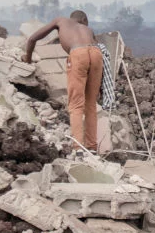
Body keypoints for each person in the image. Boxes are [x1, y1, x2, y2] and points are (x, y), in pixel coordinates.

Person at [24, 11, 103, 151]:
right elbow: (94, 49)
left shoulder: (60, 21)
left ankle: (78, 149)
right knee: (90, 104)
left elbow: (32, 39)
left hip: (78, 55)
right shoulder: (88, 30)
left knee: (76, 105)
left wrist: (28, 59)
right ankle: (92, 148)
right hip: (96, 54)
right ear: (84, 20)